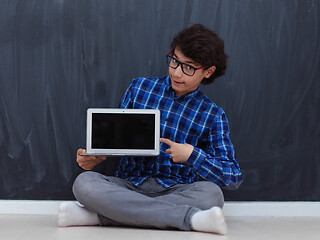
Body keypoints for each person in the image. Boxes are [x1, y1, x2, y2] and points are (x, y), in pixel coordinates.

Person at [58, 24, 243, 235]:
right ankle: (190, 218)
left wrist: (193, 156)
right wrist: (95, 156)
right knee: (84, 183)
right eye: (174, 61)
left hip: (176, 189)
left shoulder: (213, 115)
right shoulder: (139, 88)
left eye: (188, 67)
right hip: (128, 185)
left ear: (208, 72)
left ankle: (100, 216)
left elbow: (233, 176)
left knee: (212, 195)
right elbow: (116, 139)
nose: (177, 72)